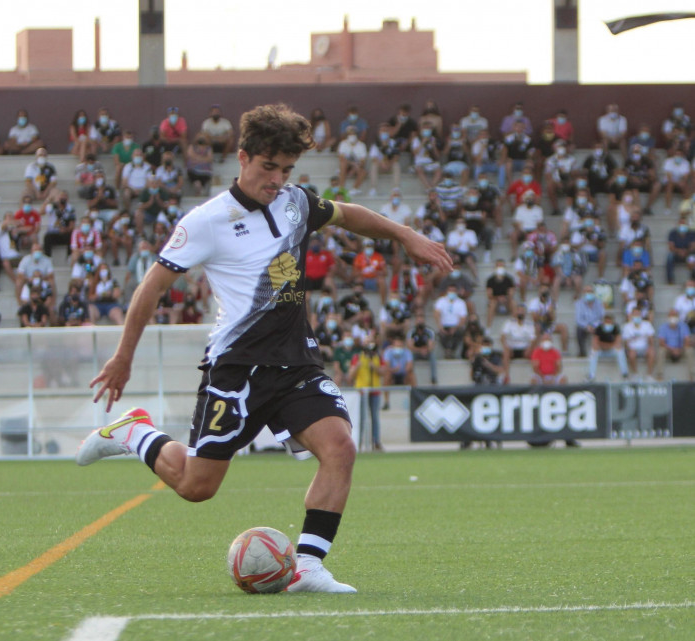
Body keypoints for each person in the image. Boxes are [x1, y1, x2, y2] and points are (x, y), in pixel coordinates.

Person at [77, 104, 452, 594]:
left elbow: (350, 215)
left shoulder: (296, 203)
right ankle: (134, 434)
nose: (277, 180)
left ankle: (310, 567)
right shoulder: (207, 221)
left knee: (340, 447)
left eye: (287, 170)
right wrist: (123, 356)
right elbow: (151, 286)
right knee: (196, 487)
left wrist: (406, 235)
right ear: (242, 157)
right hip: (236, 371)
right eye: (268, 168)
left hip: (296, 363)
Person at [586, 313, 629, 382]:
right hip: (601, 351)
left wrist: (608, 346)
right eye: (606, 321)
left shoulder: (616, 328)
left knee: (620, 351)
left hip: (611, 350)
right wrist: (604, 346)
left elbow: (618, 342)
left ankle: (624, 374)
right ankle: (591, 375)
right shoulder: (599, 328)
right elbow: (595, 342)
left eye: (609, 321)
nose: (607, 323)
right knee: (593, 352)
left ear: (612, 322)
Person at [656, 311, 694, 381]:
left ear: (678, 317)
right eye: (671, 315)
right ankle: (659, 375)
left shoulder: (683, 326)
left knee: (690, 350)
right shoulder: (663, 327)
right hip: (669, 350)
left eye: (675, 315)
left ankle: (692, 375)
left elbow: (687, 340)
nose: (673, 317)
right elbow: (661, 342)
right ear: (668, 317)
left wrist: (679, 349)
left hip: (681, 349)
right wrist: (672, 349)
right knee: (661, 351)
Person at [622, 308, 655, 380]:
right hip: (632, 348)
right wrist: (629, 348)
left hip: (644, 348)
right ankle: (635, 374)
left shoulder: (647, 324)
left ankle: (649, 375)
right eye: (635, 314)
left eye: (638, 314)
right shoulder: (627, 326)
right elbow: (625, 342)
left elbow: (651, 339)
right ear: (632, 315)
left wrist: (650, 345)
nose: (637, 316)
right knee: (631, 353)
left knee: (652, 352)